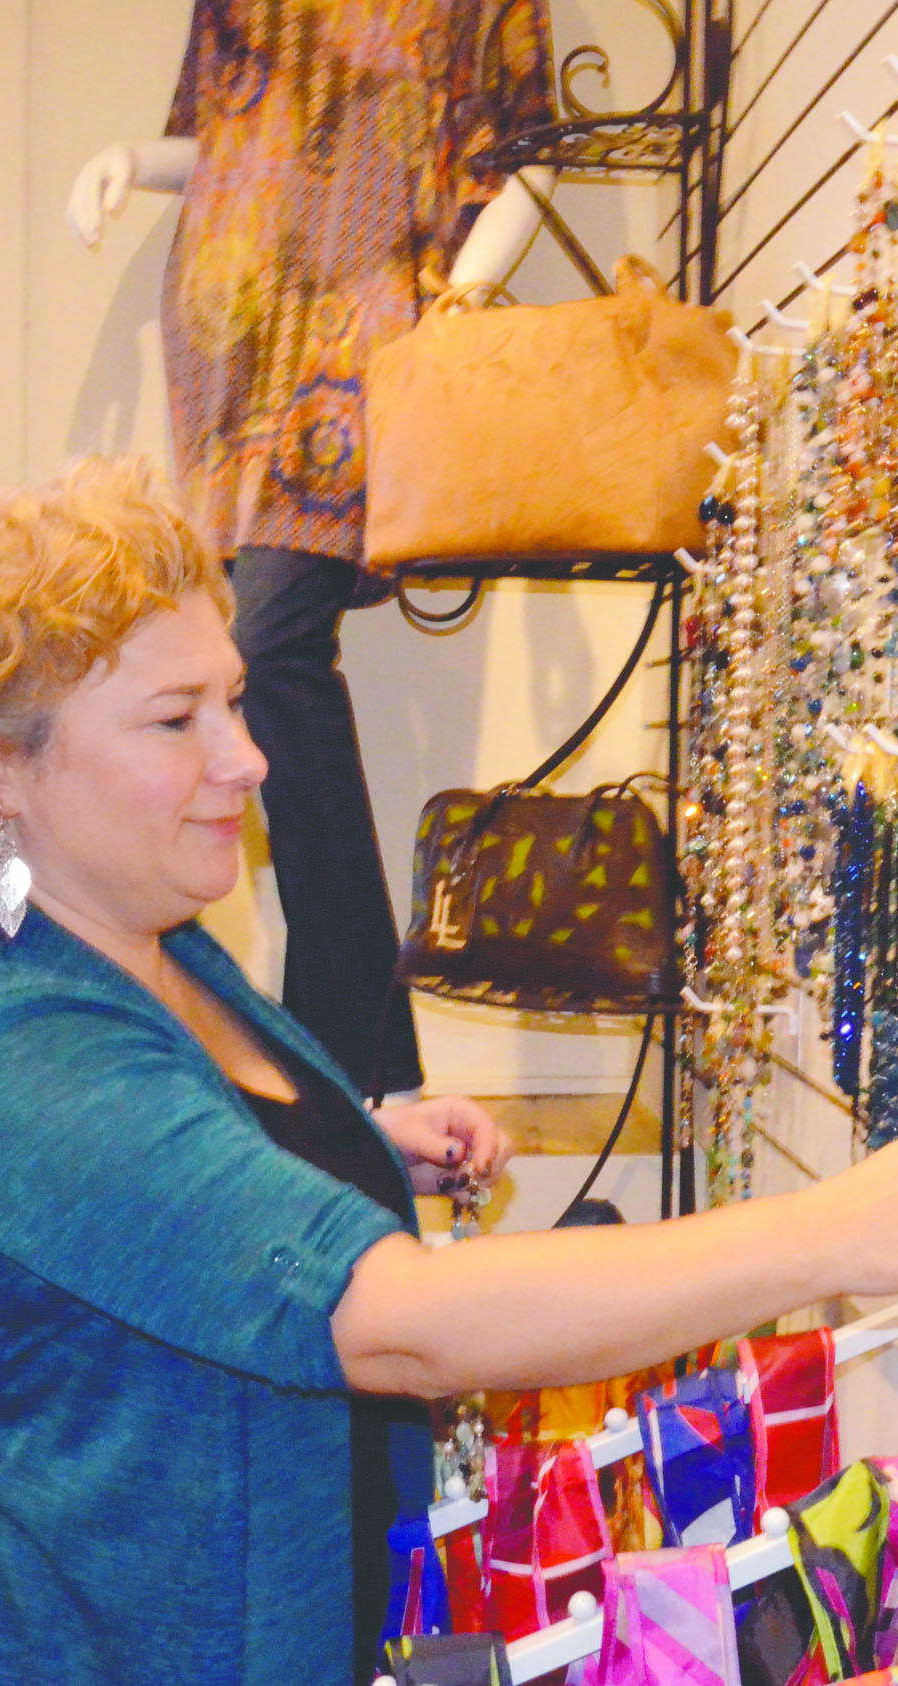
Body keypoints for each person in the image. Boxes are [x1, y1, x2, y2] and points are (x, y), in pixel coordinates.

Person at [0, 460, 898, 1686]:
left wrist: (342, 1137)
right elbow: (401, 1328)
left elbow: (163, 1183)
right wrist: (835, 1230)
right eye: (178, 721)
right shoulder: (16, 1049)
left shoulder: (139, 938)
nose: (247, 757)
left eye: (231, 699)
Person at [68, 0, 561, 1099]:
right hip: (230, 337)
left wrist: (462, 298)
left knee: (275, 647)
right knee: (238, 675)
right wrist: (128, 159)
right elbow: (236, 125)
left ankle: (353, 1046)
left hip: (364, 323)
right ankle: (315, 1039)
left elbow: (529, 149)